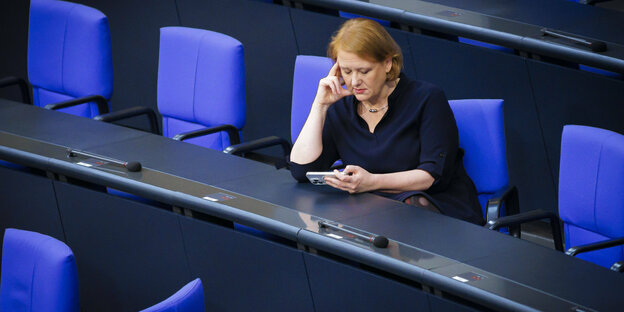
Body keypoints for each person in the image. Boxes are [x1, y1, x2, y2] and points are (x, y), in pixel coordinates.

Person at [288, 18, 484, 225]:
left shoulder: (426, 99)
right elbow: (301, 171)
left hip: (431, 209)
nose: (354, 82)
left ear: (388, 63)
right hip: (368, 212)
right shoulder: (342, 107)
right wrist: (320, 106)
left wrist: (371, 182)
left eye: (364, 71)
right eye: (346, 71)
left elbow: (430, 176)